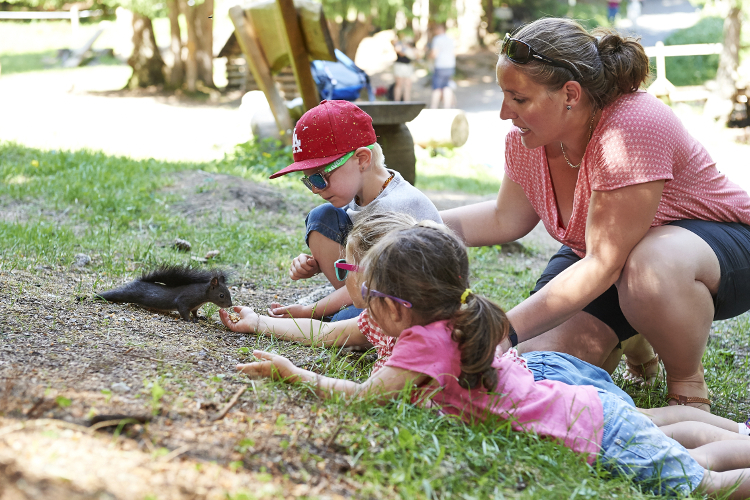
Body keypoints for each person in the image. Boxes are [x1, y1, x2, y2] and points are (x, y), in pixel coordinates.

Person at [238, 225, 750, 498]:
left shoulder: (422, 344)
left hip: (589, 433)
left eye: (366, 294)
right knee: (689, 454)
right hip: (587, 412)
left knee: (705, 484)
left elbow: (370, 396)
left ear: (395, 307)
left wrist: (296, 374)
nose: (361, 304)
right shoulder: (454, 320)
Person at [440, 18, 750, 411]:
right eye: (504, 95)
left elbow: (604, 262)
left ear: (570, 93)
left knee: (649, 266)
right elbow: (506, 217)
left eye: (518, 99)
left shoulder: (633, 125)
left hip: (716, 248)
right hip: (612, 260)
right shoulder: (529, 140)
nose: (504, 113)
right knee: (535, 363)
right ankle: (634, 331)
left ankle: (687, 384)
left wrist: (501, 329)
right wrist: (417, 222)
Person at [266, 99, 442, 322]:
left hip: (416, 305)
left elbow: (377, 279)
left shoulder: (394, 209)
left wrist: (310, 311)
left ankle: (348, 310)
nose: (315, 189)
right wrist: (317, 264)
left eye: (320, 177)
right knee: (322, 217)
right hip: (376, 285)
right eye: (309, 181)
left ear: (362, 160)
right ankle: (351, 305)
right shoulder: (360, 194)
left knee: (345, 322)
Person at [220, 211, 416, 374]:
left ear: (371, 279)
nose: (342, 278)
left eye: (344, 268)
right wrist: (257, 322)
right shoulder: (378, 318)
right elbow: (324, 332)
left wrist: (296, 375)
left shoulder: (417, 341)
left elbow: (371, 393)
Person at [428, 24, 456, 109]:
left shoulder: (437, 39)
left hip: (440, 66)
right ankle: (447, 107)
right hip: (450, 66)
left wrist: (429, 57)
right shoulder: (450, 39)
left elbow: (434, 53)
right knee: (447, 86)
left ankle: (433, 107)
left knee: (437, 87)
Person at [392, 33, 416, 102]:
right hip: (400, 65)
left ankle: (407, 101)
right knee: (399, 84)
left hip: (408, 66)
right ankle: (397, 101)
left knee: (408, 85)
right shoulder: (399, 44)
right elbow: (400, 52)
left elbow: (416, 54)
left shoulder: (410, 45)